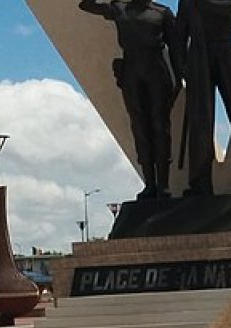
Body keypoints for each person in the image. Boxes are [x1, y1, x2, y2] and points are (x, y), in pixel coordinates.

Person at [79, 0, 183, 200]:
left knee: (160, 126)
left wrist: (179, 77)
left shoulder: (162, 12)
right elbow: (86, 5)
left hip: (156, 69)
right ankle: (150, 184)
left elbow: (175, 46)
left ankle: (163, 184)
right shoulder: (120, 8)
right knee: (139, 126)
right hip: (132, 69)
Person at [178, 0, 231, 195]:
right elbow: (179, 33)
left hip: (225, 52)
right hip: (198, 58)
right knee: (200, 123)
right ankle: (201, 182)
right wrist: (182, 65)